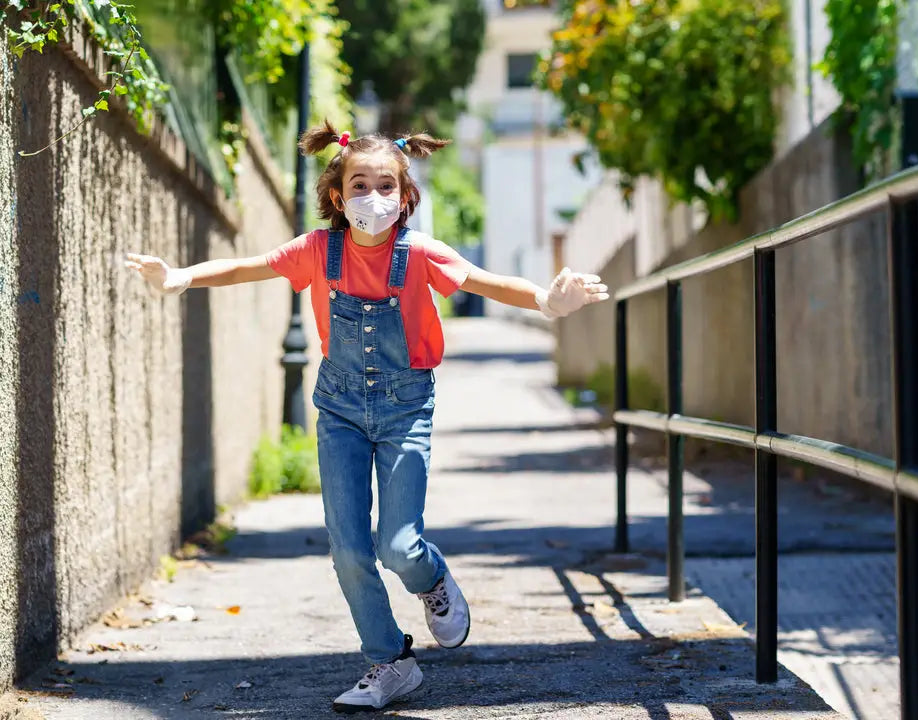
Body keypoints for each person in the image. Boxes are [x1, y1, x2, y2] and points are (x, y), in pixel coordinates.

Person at [125, 122, 608, 713]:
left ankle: (431, 580)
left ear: (404, 198)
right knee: (349, 548)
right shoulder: (316, 251)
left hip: (407, 409)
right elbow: (247, 266)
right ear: (338, 195)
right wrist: (180, 278)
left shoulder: (422, 254)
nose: (373, 197)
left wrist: (547, 301)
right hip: (340, 412)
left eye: (386, 186)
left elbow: (487, 282)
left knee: (399, 546)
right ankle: (389, 663)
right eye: (360, 184)